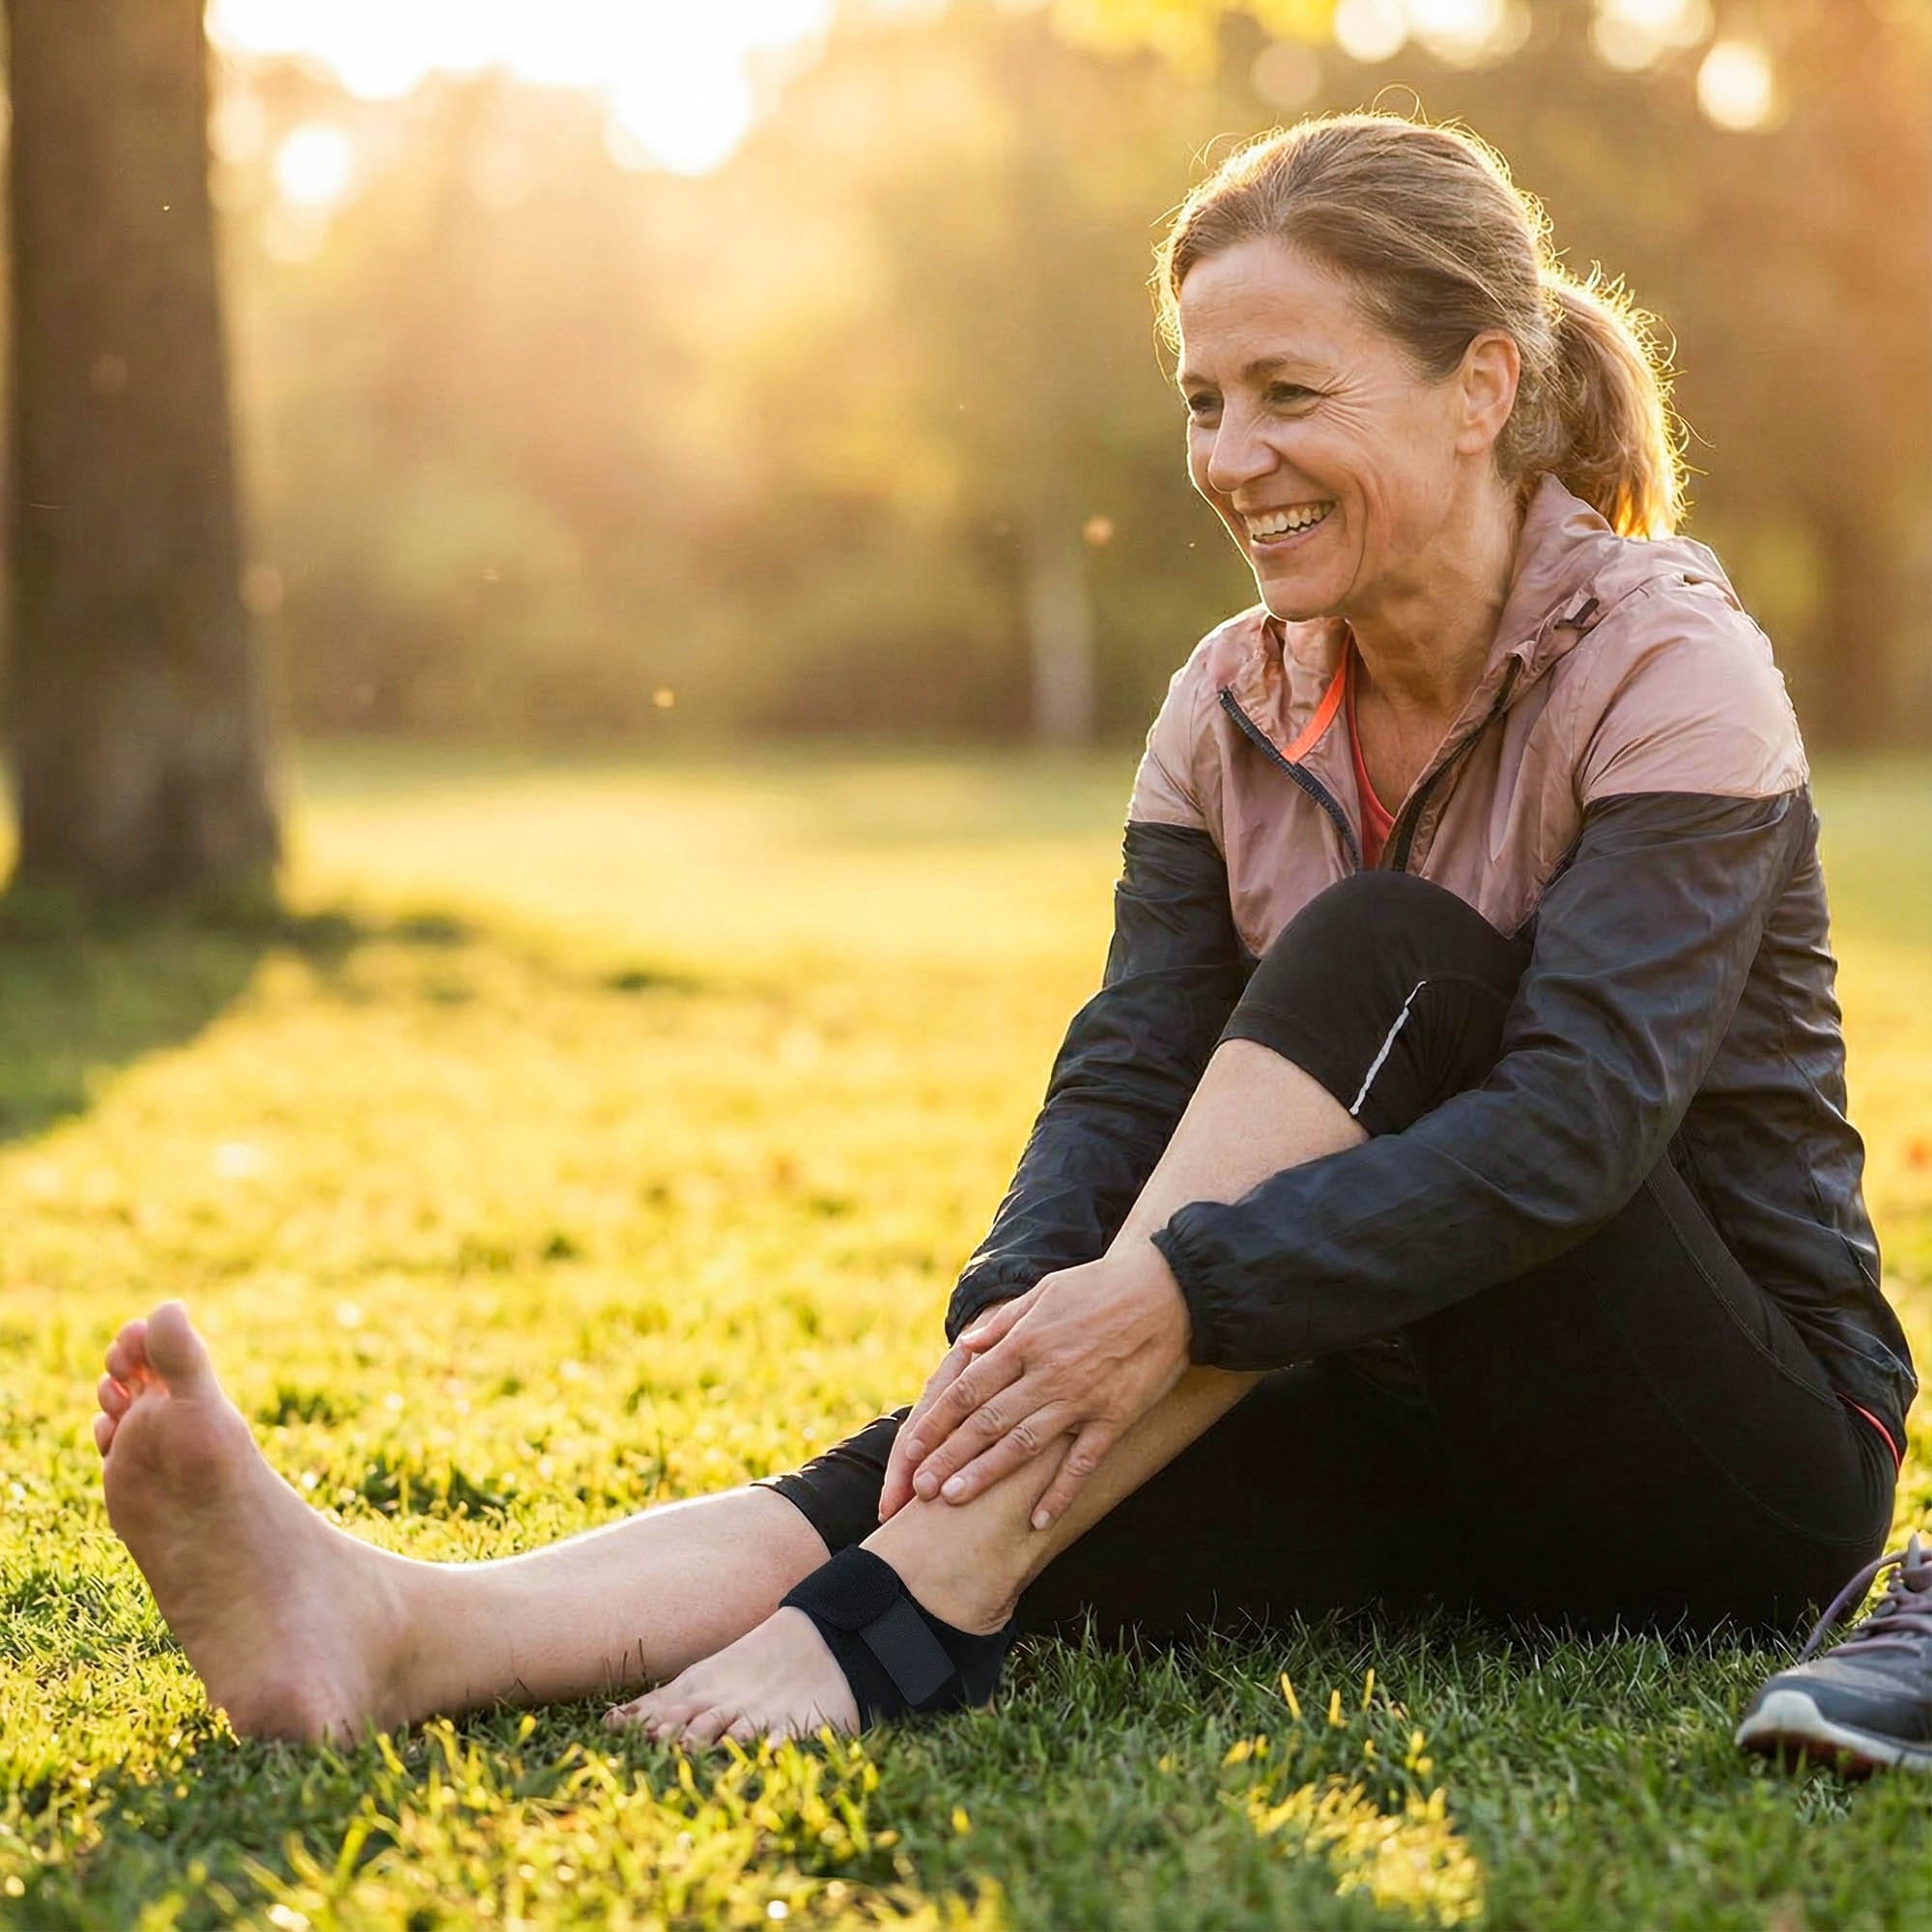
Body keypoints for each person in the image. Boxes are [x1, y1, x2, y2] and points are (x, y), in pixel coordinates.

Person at [91, 112, 1915, 1756]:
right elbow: (1130, 1064)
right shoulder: (1228, 704)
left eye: (1289, 392)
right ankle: (398, 1629)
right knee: (965, 1458)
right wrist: (1024, 1324)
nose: (1230, 455)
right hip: (1412, 1427)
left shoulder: (1669, 664)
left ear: (1477, 386)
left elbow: (1581, 1125)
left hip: (1726, 1466)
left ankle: (897, 1627)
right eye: (1203, 401)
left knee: (1385, 955)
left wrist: (1176, 1297)